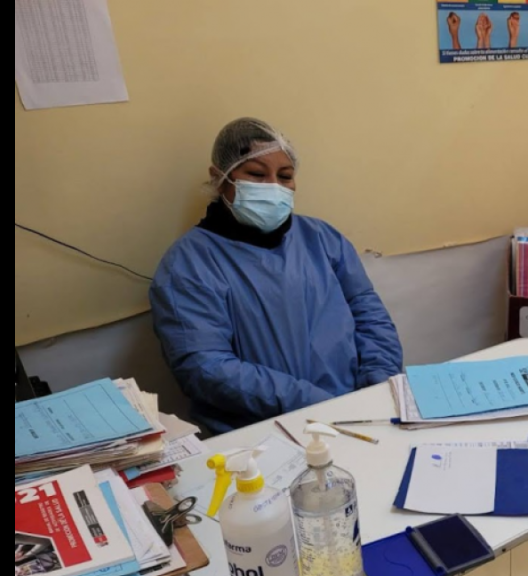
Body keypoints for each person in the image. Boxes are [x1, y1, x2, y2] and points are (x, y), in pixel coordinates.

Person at [151, 118, 403, 434]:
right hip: (260, 434)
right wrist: (316, 402)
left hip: (356, 411)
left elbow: (369, 314)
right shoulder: (188, 265)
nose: (273, 186)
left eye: (285, 176)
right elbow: (205, 368)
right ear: (220, 178)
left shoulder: (322, 238)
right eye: (256, 174)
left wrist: (377, 382)